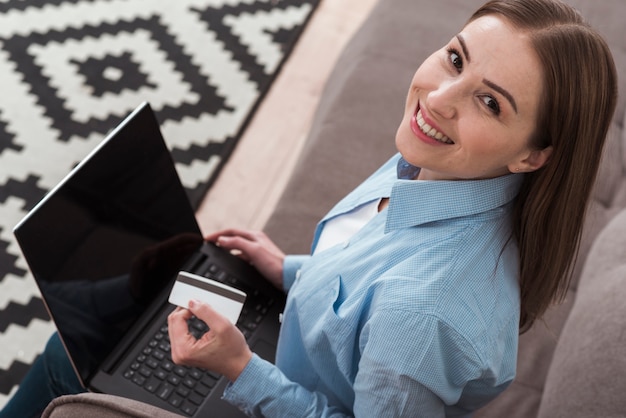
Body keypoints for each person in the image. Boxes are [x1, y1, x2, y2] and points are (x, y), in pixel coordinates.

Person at [0, 0, 617, 417]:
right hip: (302, 338)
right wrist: (289, 269)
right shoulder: (449, 168)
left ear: (535, 155)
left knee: (71, 355)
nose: (440, 98)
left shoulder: (422, 315)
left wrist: (240, 368)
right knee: (114, 307)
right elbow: (371, 271)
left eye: (490, 103)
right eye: (456, 59)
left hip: (285, 388)